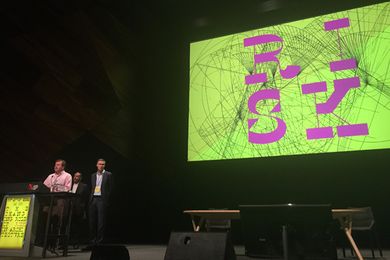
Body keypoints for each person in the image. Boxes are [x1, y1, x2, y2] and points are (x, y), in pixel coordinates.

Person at [89, 159, 113, 245]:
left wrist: (106, 198)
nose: (101, 166)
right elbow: (92, 187)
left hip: (102, 200)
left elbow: (110, 188)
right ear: (96, 165)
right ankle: (92, 240)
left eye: (103, 164)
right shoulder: (93, 175)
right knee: (92, 220)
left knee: (101, 221)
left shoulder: (108, 174)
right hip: (93, 199)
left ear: (105, 165)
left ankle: (99, 240)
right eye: (100, 164)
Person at [70, 172, 88, 248]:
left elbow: (85, 198)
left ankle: (76, 243)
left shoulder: (84, 186)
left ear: (80, 178)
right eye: (74, 176)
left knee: (77, 226)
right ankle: (65, 242)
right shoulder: (69, 185)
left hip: (78, 209)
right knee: (69, 225)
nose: (75, 177)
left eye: (77, 176)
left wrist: (83, 209)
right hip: (69, 208)